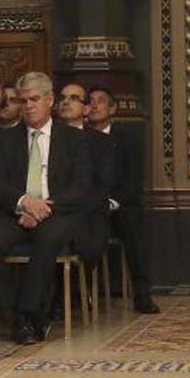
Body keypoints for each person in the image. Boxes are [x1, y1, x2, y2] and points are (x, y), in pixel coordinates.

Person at [0, 71, 92, 344]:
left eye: (34, 99)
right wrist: (24, 203)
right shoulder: (6, 138)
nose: (28, 106)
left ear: (50, 100)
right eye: (23, 100)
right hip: (16, 210)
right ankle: (21, 314)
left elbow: (81, 186)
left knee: (49, 238)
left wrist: (43, 208)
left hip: (57, 211)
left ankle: (27, 315)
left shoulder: (73, 138)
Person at [88, 86, 160, 313]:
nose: (95, 105)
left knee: (132, 224)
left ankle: (142, 295)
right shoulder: (78, 138)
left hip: (120, 204)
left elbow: (133, 180)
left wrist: (112, 202)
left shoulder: (127, 139)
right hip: (89, 207)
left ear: (112, 109)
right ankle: (72, 296)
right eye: (91, 101)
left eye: (101, 101)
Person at [58, 82, 116, 270]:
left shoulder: (102, 143)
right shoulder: (46, 138)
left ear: (86, 109)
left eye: (73, 98)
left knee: (85, 239)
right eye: (63, 98)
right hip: (53, 211)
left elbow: (102, 186)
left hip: (88, 211)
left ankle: (78, 293)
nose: (66, 102)